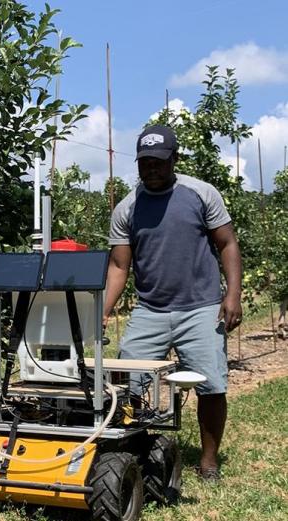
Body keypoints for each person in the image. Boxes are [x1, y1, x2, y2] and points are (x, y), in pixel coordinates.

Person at [104, 124, 243, 482]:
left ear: (174, 159)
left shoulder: (200, 193)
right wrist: (102, 311)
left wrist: (232, 294)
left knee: (210, 384)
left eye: (159, 162)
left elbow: (227, 243)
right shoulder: (127, 208)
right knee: (125, 381)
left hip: (201, 307)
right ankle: (133, 447)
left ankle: (209, 461)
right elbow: (120, 266)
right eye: (145, 162)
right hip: (151, 308)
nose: (151, 168)